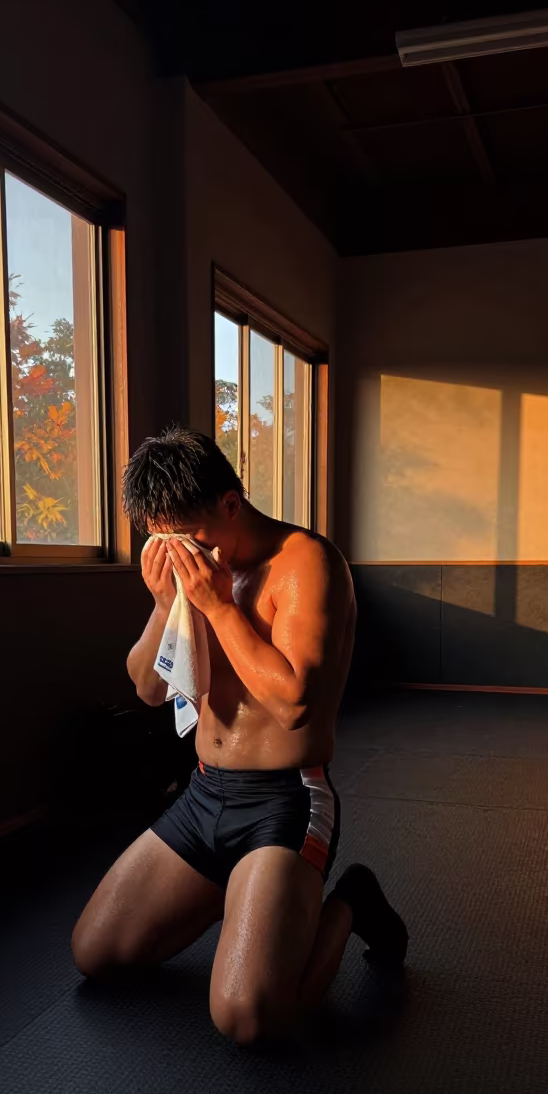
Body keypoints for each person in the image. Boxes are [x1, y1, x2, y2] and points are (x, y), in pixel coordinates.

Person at [71, 429, 407, 1043]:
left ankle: (350, 899)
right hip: (203, 798)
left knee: (248, 1017)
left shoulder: (306, 562)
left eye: (188, 536)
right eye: (163, 540)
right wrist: (164, 601)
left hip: (284, 803)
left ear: (230, 504)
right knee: (95, 952)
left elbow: (295, 704)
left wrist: (220, 608)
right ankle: (251, 898)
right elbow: (149, 689)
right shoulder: (195, 571)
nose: (181, 554)